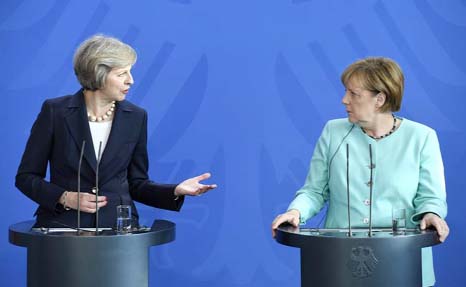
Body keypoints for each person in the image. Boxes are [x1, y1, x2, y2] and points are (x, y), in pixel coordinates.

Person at [271, 57, 449, 286]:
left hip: (404, 263)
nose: (344, 100)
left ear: (380, 99)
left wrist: (432, 214)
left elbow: (431, 197)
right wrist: (295, 211)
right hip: (337, 263)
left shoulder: (422, 137)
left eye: (354, 94)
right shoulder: (333, 132)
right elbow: (314, 190)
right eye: (346, 92)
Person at [15, 34, 217, 229]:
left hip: (119, 231)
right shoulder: (55, 112)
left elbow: (136, 183)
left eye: (130, 72)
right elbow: (26, 177)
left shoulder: (136, 117)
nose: (131, 80)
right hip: (62, 228)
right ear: (98, 74)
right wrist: (64, 197)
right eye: (122, 74)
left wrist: (175, 190)